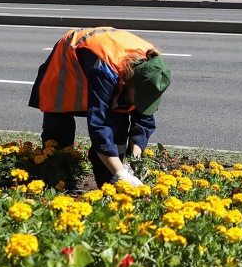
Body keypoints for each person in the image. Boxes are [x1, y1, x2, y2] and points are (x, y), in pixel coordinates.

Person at [29, 26, 172, 188]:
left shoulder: (153, 70)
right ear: (129, 82)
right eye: (139, 98)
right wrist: (122, 174)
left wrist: (135, 159)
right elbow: (100, 125)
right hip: (69, 57)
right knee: (59, 120)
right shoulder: (106, 71)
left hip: (109, 60)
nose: (139, 103)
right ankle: (58, 180)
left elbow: (144, 119)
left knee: (120, 118)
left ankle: (109, 185)